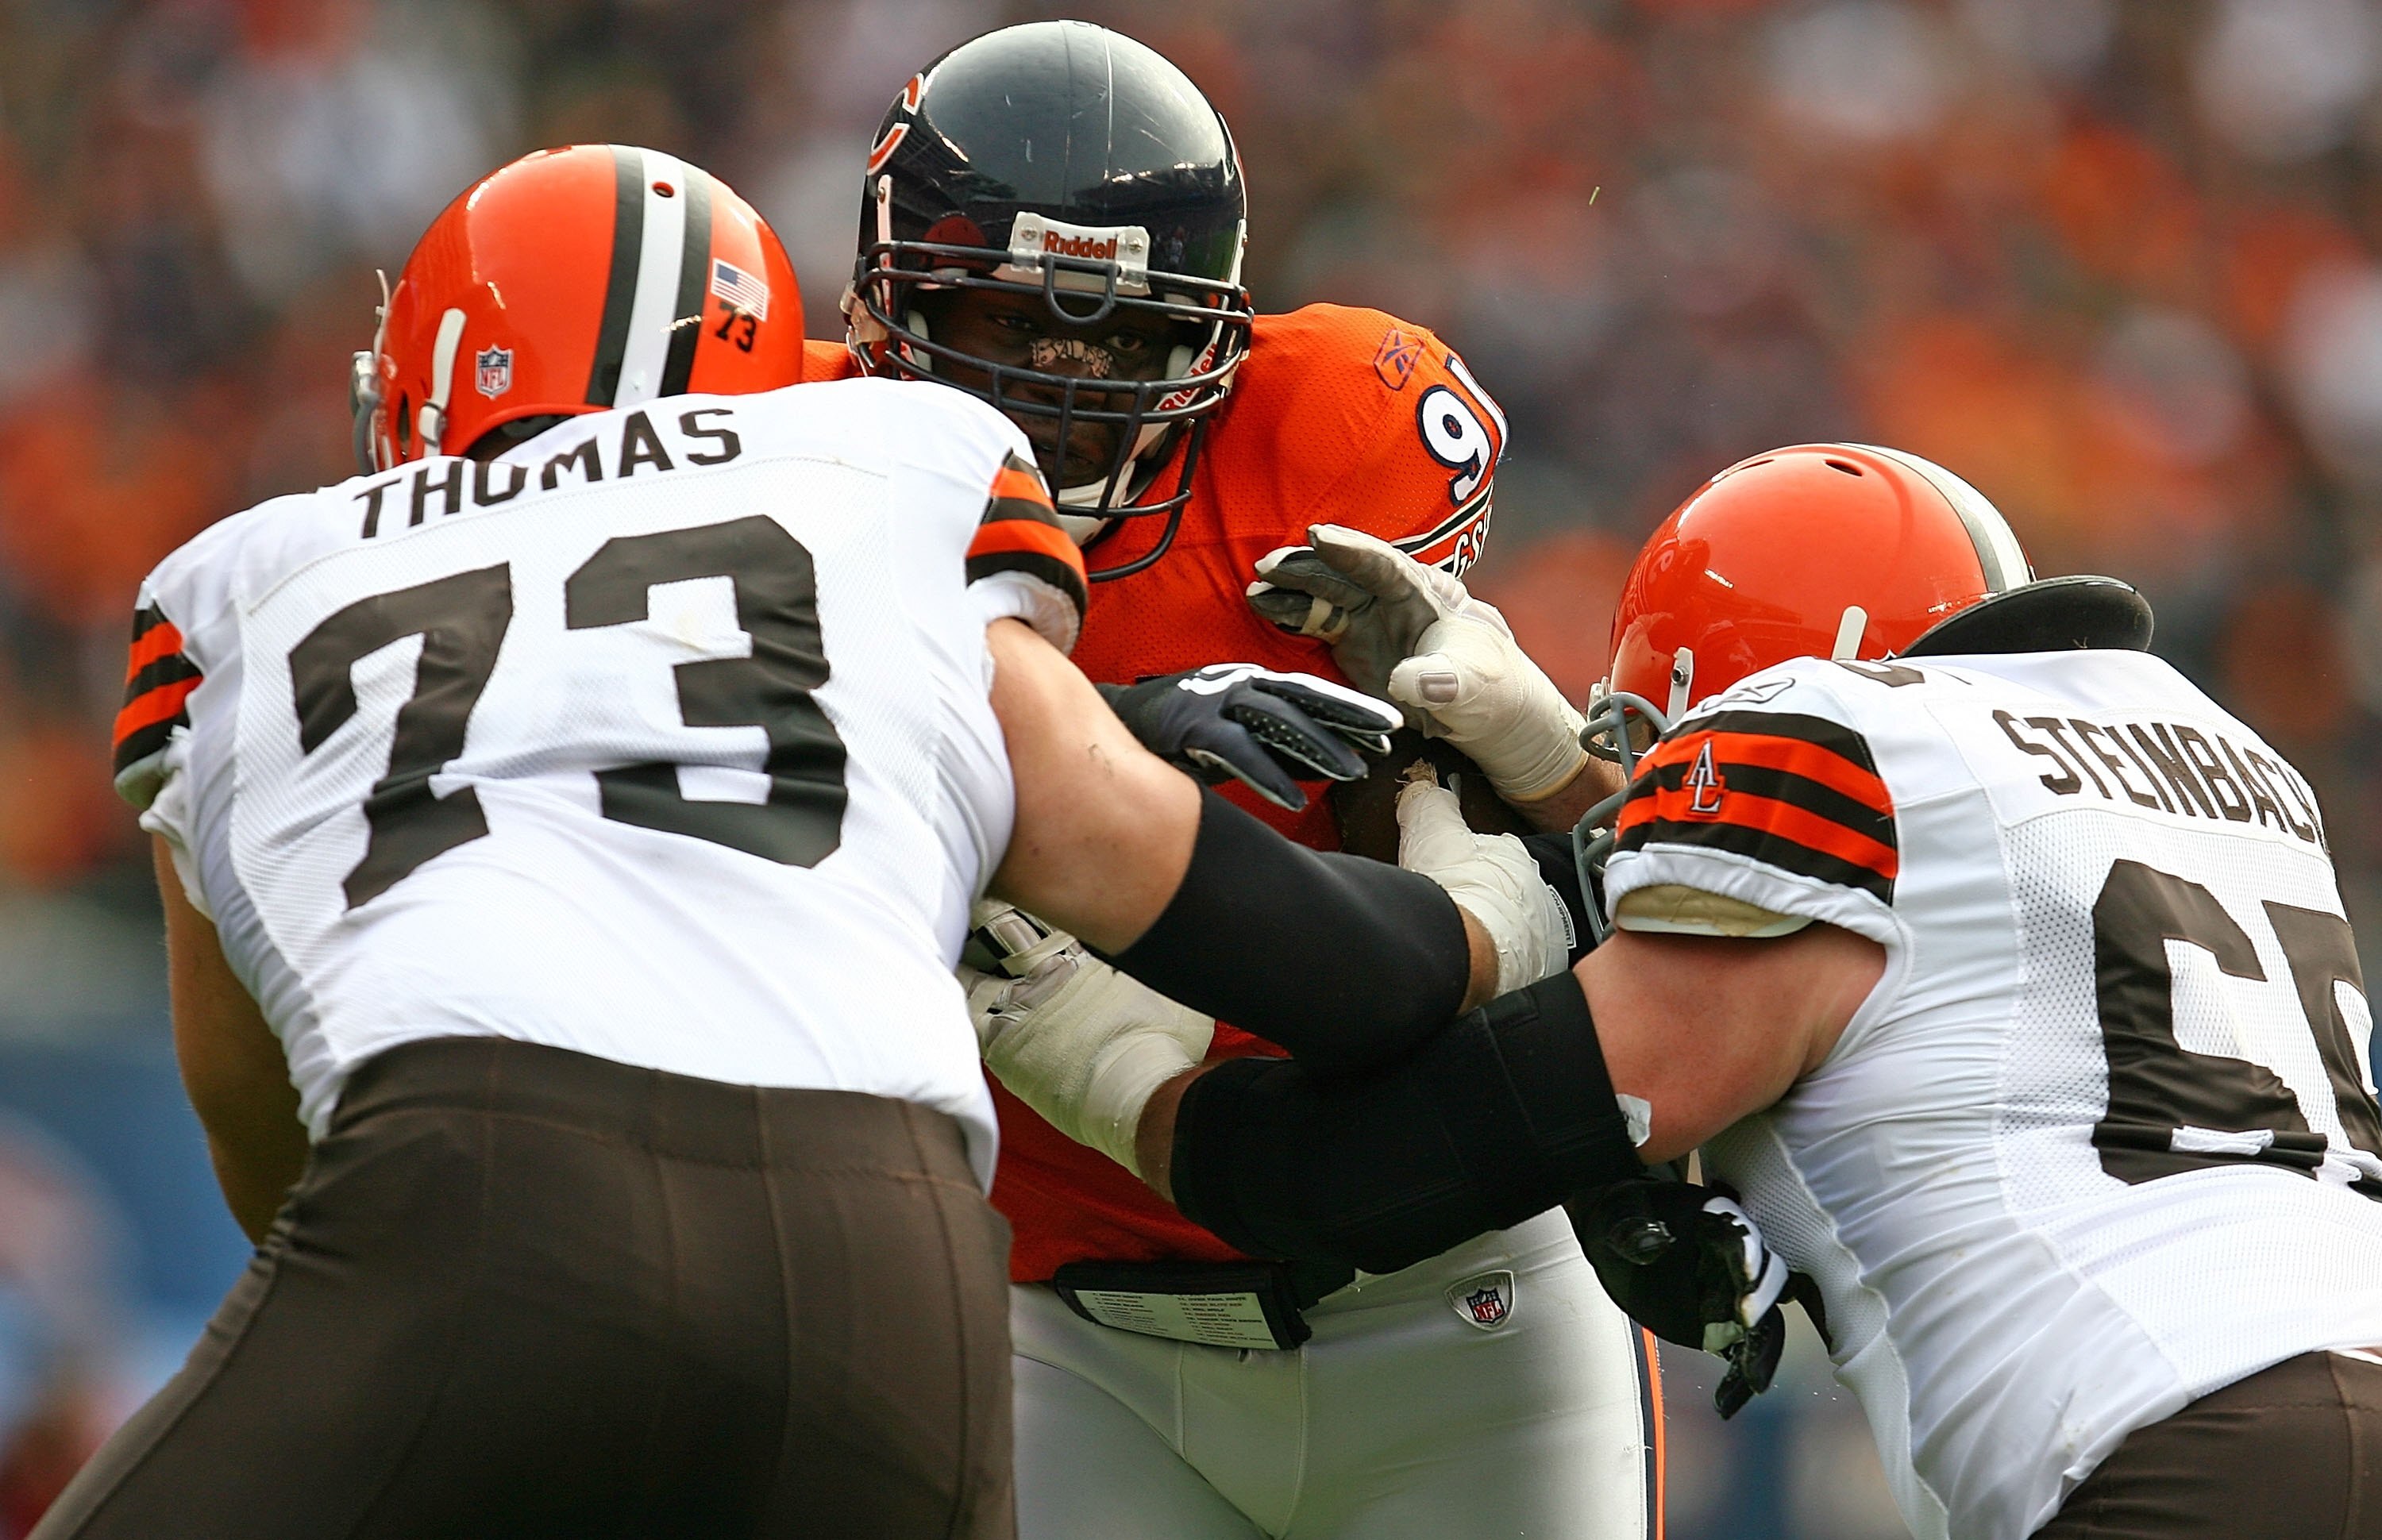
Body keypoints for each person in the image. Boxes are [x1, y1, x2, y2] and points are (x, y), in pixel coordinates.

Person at [51, 144, 1526, 1540]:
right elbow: (1260, 926)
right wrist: (1490, 911)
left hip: (477, 1191)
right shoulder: (889, 478)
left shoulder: (244, 585)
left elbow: (268, 1145)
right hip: (898, 1267)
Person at [996, 441, 2382, 1540]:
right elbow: (1859, 945)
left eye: (1653, 748)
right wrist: (1550, 767)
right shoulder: (2214, 754)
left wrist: (1119, 1074)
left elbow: (1401, 1161)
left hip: (2180, 1436)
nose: (1642, 795)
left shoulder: (1838, 752)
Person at [810, 21, 1660, 1538]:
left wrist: (1543, 763)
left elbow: (1585, 888)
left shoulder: (1327, 433)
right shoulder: (797, 468)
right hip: (1057, 1321)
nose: (1064, 390)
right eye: (1012, 326)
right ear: (895, 299)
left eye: (1127, 339)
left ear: (1214, 336)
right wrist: (1131, 715)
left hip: (1445, 1293)